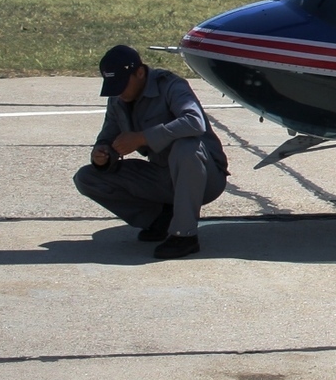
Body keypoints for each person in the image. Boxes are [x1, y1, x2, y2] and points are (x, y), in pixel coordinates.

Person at [73, 45, 228, 260]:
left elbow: (194, 122)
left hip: (204, 177)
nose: (118, 91)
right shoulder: (118, 99)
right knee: (87, 177)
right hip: (162, 175)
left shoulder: (171, 86)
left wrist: (142, 137)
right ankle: (159, 219)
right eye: (113, 85)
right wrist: (102, 155)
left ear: (139, 72)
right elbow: (107, 136)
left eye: (121, 84)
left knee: (186, 147)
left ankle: (185, 235)